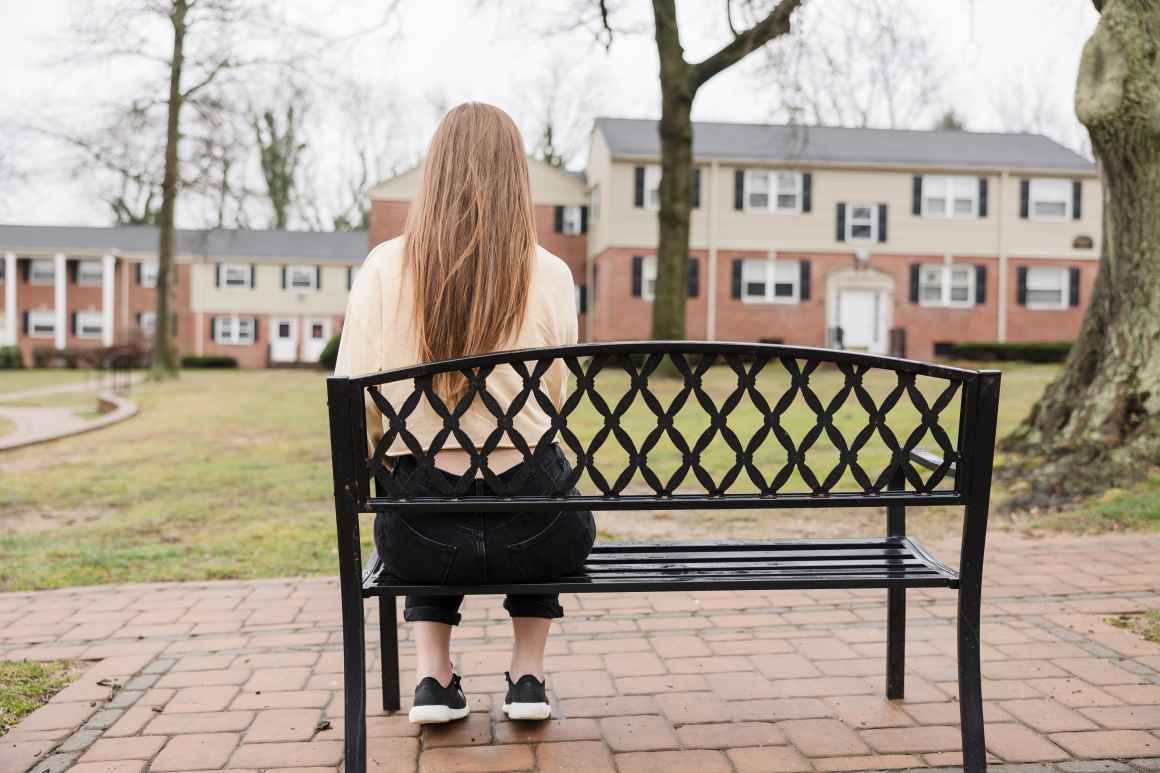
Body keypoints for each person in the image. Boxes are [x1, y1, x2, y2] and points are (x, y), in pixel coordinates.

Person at [334, 102, 595, 725]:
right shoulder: (552, 272)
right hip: (540, 537)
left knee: (417, 487)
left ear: (435, 172)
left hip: (417, 540)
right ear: (517, 178)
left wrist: (398, 455)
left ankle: (432, 677)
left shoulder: (383, 267)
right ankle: (527, 676)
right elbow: (556, 400)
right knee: (543, 479)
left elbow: (352, 393)